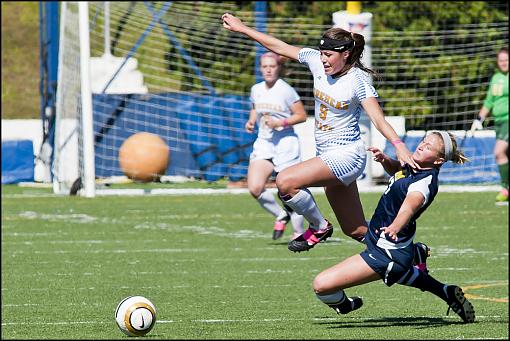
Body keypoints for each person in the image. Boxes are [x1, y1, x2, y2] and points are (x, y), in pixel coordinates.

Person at [221, 13, 423, 255]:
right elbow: (280, 46)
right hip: (327, 155)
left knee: (285, 181)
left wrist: (399, 146)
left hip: (347, 155)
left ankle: (319, 226)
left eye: (328, 55)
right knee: (357, 230)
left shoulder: (358, 81)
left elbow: (378, 119)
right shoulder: (317, 62)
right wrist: (243, 29)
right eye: (321, 53)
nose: (323, 59)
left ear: (345, 54)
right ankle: (412, 254)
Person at [313, 131, 475, 323]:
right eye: (424, 141)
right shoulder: (415, 166)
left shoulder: (424, 182)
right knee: (356, 230)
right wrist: (385, 161)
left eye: (429, 147)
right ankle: (439, 283)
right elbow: (399, 172)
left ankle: (345, 305)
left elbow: (409, 207)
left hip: (387, 250)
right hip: (381, 238)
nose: (422, 146)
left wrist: (396, 227)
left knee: (321, 286)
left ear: (439, 161)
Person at [246, 52, 307, 240]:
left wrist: (281, 123)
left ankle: (299, 232)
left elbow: (301, 115)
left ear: (279, 68)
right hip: (264, 143)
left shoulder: (286, 90)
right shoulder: (256, 89)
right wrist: (251, 121)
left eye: (272, 66)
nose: (268, 70)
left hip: (285, 144)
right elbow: (256, 107)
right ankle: (280, 215)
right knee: (255, 188)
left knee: (289, 190)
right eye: (265, 66)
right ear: (260, 68)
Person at [471, 47, 508, 205]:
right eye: (501, 60)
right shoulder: (496, 78)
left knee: (499, 152)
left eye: (506, 60)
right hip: (498, 122)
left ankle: (505, 189)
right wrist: (479, 119)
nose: (504, 63)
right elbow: (489, 101)